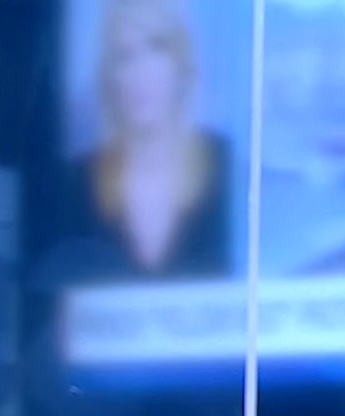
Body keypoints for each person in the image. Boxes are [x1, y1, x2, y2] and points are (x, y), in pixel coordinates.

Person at [43, 0, 230, 284]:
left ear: (180, 66)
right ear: (109, 77)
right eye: (124, 56)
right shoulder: (77, 184)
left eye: (157, 49)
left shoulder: (226, 168)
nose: (141, 72)